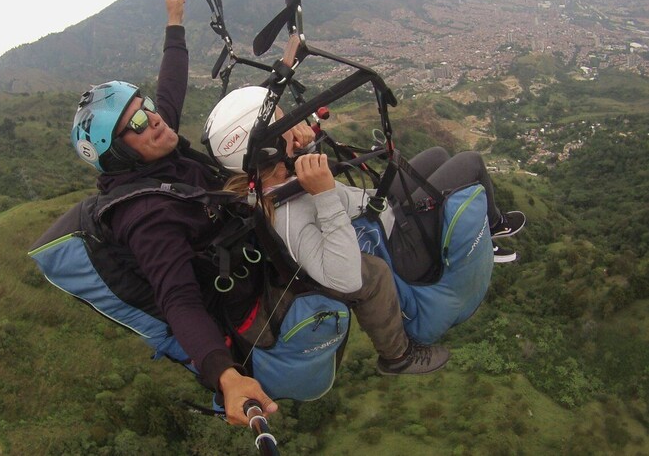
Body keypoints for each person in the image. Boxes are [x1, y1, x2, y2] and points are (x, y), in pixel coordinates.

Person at [69, 0, 314, 426]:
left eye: (144, 106)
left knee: (286, 141)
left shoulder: (158, 149)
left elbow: (170, 89)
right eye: (138, 121)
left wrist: (174, 20)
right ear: (119, 153)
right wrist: (226, 377)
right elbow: (177, 298)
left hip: (245, 217)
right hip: (252, 277)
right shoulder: (145, 216)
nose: (155, 117)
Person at [203, 86, 525, 374]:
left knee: (436, 155)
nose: (294, 126)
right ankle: (492, 228)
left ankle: (488, 225)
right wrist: (326, 195)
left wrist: (308, 146)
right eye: (285, 126)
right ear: (268, 148)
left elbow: (312, 183)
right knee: (470, 164)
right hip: (394, 246)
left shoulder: (270, 182)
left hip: (376, 216)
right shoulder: (287, 218)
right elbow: (346, 279)